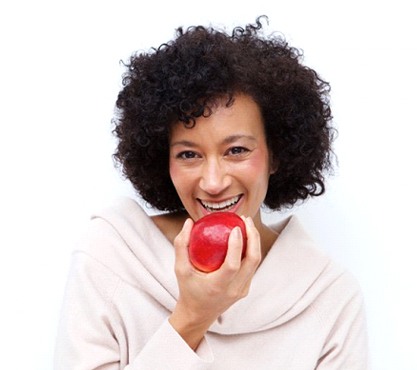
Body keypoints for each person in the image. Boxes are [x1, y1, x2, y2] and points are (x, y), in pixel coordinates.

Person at [54, 16, 368, 369]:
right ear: (163, 160)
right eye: (189, 155)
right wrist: (192, 317)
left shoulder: (329, 297)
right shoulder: (111, 254)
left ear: (276, 153)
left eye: (237, 151)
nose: (213, 182)